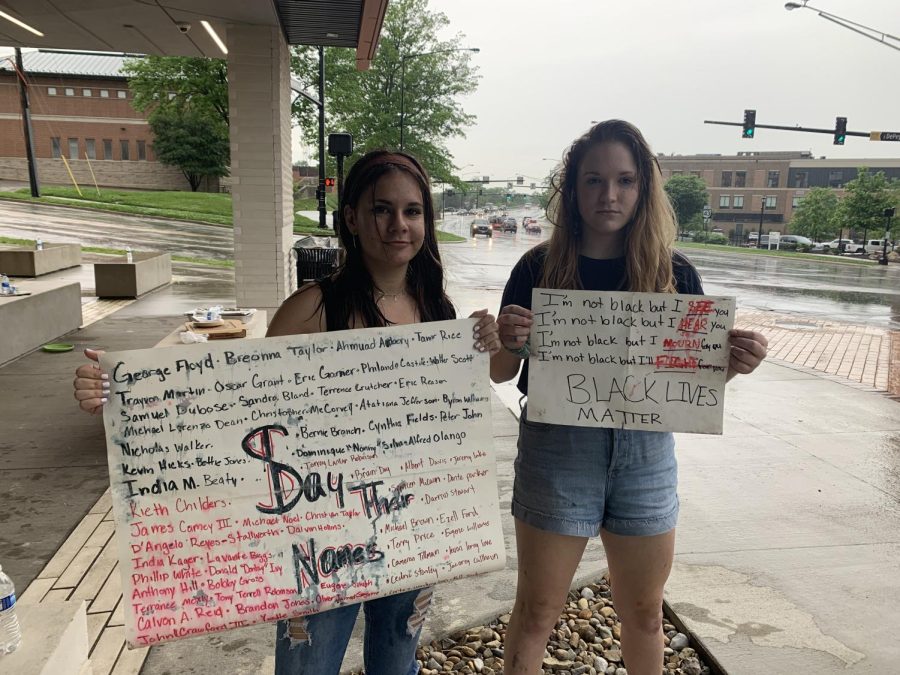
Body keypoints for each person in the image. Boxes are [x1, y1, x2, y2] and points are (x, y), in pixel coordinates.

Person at [72, 149, 502, 675]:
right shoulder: (312, 308)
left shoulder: (439, 312)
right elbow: (237, 410)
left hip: (410, 524)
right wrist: (124, 395)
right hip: (319, 535)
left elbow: (461, 410)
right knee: (307, 667)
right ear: (351, 218)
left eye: (413, 212)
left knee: (397, 660)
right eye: (381, 209)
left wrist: (487, 343)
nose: (398, 225)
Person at [490, 120, 768, 675]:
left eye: (624, 180)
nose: (608, 195)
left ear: (644, 189)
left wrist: (734, 365)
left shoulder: (674, 273)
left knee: (642, 612)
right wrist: (508, 340)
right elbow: (500, 370)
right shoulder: (538, 268)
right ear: (572, 191)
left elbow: (689, 385)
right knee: (538, 609)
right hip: (557, 450)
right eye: (593, 181)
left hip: (644, 457)